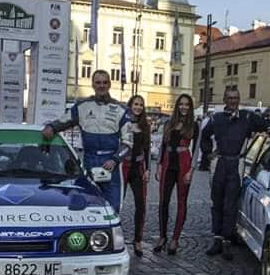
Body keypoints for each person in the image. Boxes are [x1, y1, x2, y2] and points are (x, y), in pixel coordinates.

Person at [199, 87, 270, 260]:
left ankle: (227, 239)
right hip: (219, 163)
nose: (233, 101)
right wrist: (208, 152)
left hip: (236, 163)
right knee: (217, 201)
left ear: (238, 99)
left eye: (236, 98)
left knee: (231, 203)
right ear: (225, 99)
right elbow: (204, 135)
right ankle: (217, 238)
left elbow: (266, 123)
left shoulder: (247, 117)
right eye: (230, 98)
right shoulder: (216, 118)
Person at [42, 70, 131, 212]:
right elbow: (63, 121)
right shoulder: (82, 106)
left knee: (113, 209)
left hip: (111, 164)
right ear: (93, 85)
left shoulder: (122, 109)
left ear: (109, 84)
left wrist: (115, 159)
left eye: (104, 82)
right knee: (88, 207)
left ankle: (111, 233)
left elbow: (128, 144)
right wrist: (51, 127)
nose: (101, 86)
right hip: (89, 161)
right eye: (98, 82)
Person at [155, 94, 198, 256]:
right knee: (163, 201)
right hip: (167, 163)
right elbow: (162, 145)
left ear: (190, 107)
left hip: (184, 164)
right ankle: (162, 236)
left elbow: (197, 148)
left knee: (181, 202)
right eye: (181, 104)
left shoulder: (194, 125)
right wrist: (159, 164)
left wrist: (191, 170)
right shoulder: (169, 123)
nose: (184, 107)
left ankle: (175, 238)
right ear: (177, 106)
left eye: (187, 105)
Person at [121, 95, 151, 256]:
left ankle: (137, 240)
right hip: (124, 166)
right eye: (136, 104)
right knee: (117, 203)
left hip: (138, 167)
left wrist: (148, 169)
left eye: (141, 105)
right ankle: (115, 237)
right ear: (130, 105)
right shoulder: (123, 122)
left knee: (141, 204)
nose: (138, 107)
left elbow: (147, 148)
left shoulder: (145, 125)